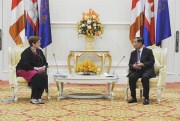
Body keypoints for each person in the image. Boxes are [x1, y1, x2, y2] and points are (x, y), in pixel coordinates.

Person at [16, 36, 48, 104]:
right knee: (37, 75)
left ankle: (39, 97)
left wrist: (44, 66)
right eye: (38, 42)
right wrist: (36, 68)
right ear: (33, 44)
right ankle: (33, 98)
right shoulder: (26, 52)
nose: (40, 44)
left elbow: (45, 61)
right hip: (23, 69)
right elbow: (25, 65)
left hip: (35, 70)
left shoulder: (40, 51)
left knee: (44, 75)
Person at [127, 37, 155, 105]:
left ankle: (146, 98)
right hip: (137, 71)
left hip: (147, 70)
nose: (133, 44)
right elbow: (130, 64)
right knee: (131, 77)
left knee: (145, 77)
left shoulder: (148, 51)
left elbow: (152, 62)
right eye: (133, 42)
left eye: (135, 42)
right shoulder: (133, 53)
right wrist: (133, 66)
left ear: (140, 43)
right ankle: (133, 97)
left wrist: (143, 64)